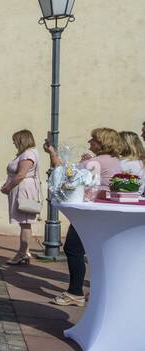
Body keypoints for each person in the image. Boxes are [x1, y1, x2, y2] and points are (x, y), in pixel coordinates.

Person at [44, 127, 124, 306]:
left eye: (93, 140)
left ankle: (75, 292)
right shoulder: (113, 161)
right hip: (106, 212)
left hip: (91, 213)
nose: (89, 142)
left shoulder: (97, 161)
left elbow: (66, 173)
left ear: (102, 142)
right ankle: (96, 291)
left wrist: (52, 152)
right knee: (97, 253)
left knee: (73, 248)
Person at [0, 130, 40, 266]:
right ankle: (25, 251)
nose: (13, 143)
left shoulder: (28, 154)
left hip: (23, 190)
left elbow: (21, 174)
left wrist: (8, 187)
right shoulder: (25, 154)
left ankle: (22, 253)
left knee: (25, 223)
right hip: (21, 188)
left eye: (15, 140)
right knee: (24, 222)